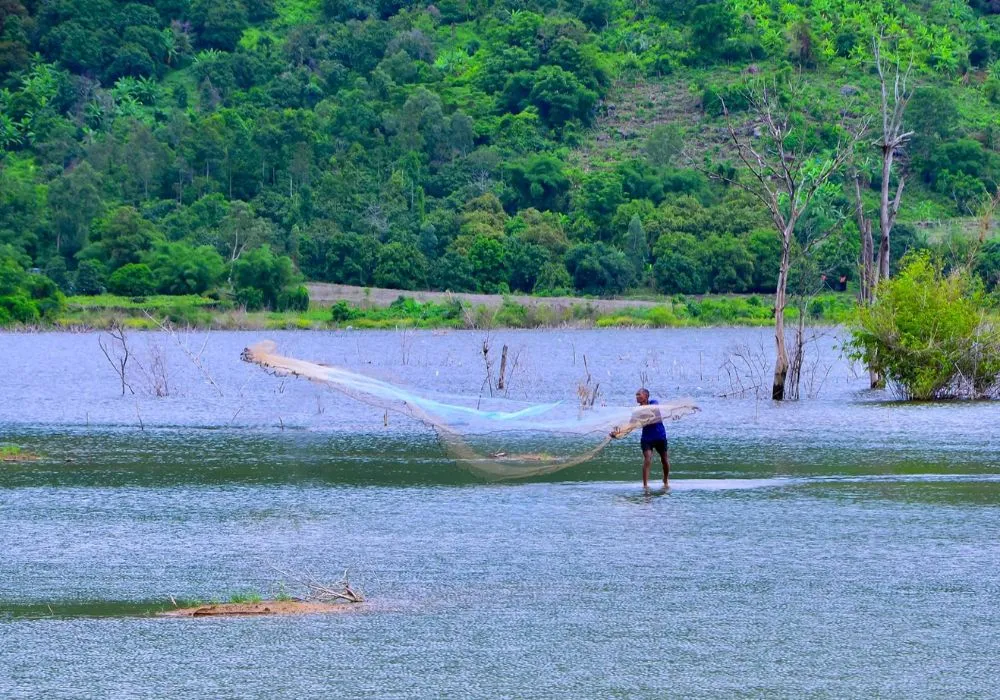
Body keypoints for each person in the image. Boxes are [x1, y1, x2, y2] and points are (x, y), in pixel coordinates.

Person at [610, 388, 670, 489]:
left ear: (646, 396)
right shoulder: (636, 411)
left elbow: (652, 410)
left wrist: (641, 412)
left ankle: (665, 479)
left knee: (664, 459)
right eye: (636, 395)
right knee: (647, 458)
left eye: (639, 395)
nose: (637, 397)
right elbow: (630, 425)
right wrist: (618, 433)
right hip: (647, 438)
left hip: (660, 436)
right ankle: (645, 485)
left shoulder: (654, 402)